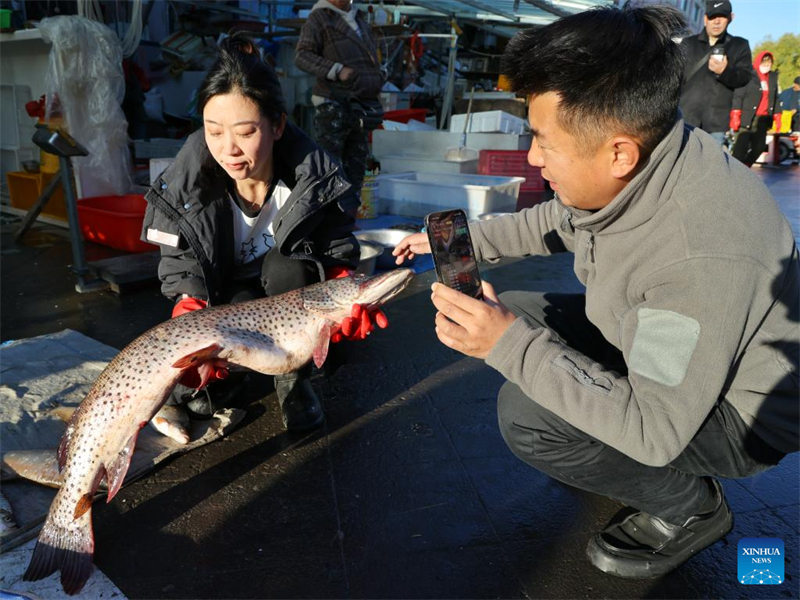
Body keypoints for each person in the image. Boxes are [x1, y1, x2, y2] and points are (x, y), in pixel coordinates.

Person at [394, 5, 798, 579]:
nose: (533, 158)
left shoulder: (696, 253)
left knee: (529, 412)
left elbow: (655, 429)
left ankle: (691, 508)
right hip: (667, 343)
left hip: (735, 414)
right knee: (523, 313)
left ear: (618, 153)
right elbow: (555, 219)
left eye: (543, 142)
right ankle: (596, 448)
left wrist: (506, 345)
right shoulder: (654, 152)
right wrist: (466, 244)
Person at [141, 35, 383, 434]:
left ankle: (293, 380)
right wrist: (189, 303)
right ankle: (232, 376)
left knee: (287, 262)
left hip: (291, 296)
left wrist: (341, 285)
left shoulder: (314, 178)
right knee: (198, 397)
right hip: (228, 298)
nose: (229, 149)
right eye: (213, 131)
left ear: (277, 125)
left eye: (245, 131)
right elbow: (182, 260)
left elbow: (336, 244)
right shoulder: (188, 184)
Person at [294, 0, 385, 199]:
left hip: (360, 104)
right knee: (329, 166)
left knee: (356, 166)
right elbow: (302, 55)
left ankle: (347, 221)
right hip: (333, 102)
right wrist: (337, 70)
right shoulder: (320, 17)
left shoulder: (358, 17)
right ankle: (327, 221)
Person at [679, 0, 753, 145]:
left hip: (716, 123)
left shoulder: (739, 45)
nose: (717, 21)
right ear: (705, 18)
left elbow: (745, 77)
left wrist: (724, 71)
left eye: (722, 16)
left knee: (709, 165)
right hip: (685, 117)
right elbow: (674, 77)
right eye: (712, 17)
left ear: (731, 18)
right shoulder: (687, 44)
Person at [730, 51, 780, 167]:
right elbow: (738, 95)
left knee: (759, 147)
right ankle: (733, 172)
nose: (766, 66)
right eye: (764, 63)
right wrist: (736, 114)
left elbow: (775, 98)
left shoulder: (772, 77)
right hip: (747, 117)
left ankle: (746, 167)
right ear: (758, 62)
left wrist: (778, 116)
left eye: (769, 63)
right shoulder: (749, 75)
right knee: (740, 149)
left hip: (763, 119)